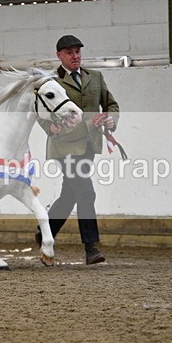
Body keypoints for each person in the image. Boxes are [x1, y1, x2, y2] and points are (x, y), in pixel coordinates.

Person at [36, 34, 120, 265]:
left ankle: (45, 231)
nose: (75, 56)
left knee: (69, 195)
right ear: (59, 55)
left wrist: (111, 119)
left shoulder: (96, 77)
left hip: (89, 145)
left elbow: (110, 104)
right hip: (64, 146)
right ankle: (91, 247)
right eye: (70, 52)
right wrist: (49, 127)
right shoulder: (50, 82)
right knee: (86, 192)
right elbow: (41, 113)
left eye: (78, 52)